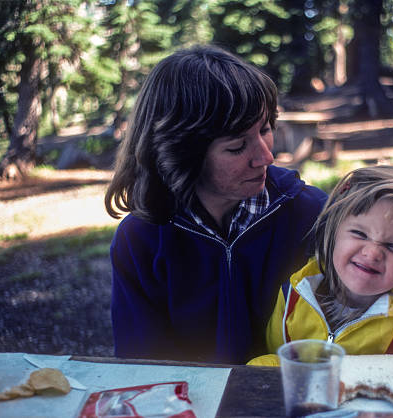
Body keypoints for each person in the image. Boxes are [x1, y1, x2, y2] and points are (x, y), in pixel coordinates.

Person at [104, 45, 327, 364]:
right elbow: (142, 365)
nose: (266, 156)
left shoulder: (311, 214)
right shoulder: (141, 240)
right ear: (182, 155)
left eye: (265, 130)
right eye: (237, 147)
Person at [248, 165, 393, 369]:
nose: (372, 253)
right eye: (359, 234)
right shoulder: (293, 294)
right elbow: (276, 361)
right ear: (333, 231)